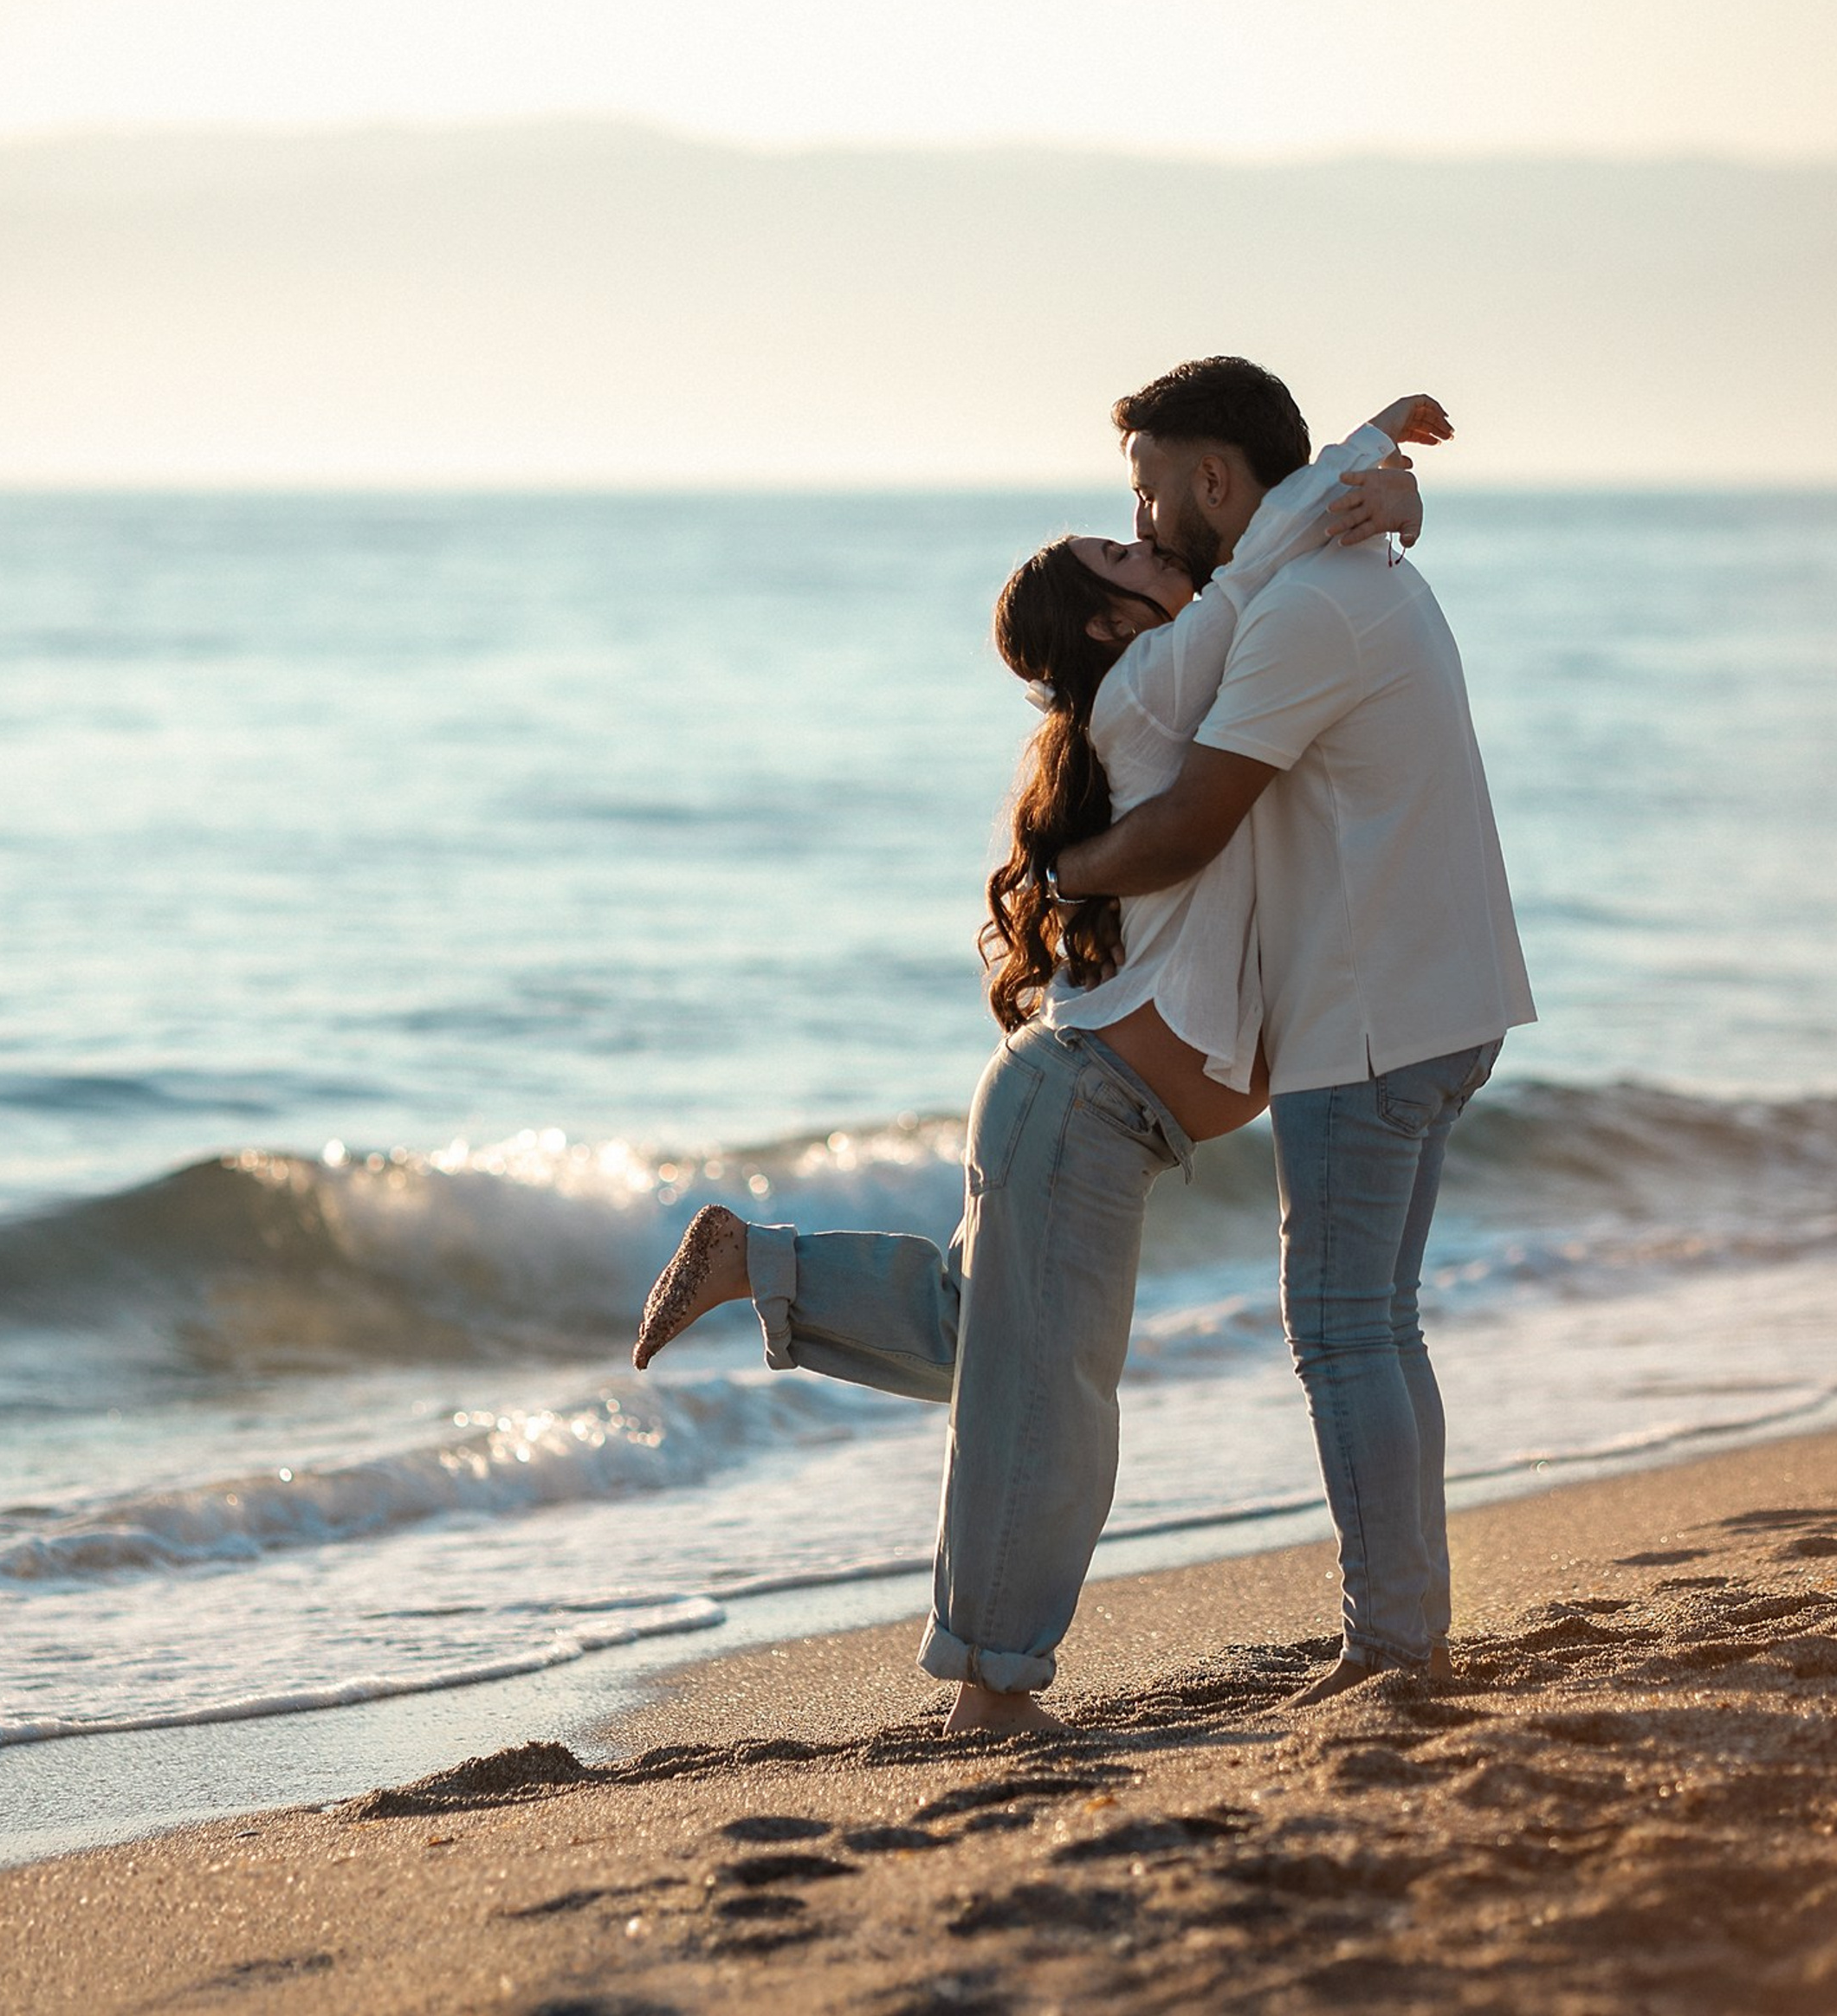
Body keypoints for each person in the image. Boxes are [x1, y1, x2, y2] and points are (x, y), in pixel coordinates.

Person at [632, 362, 1442, 1733]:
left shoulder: (1170, 677)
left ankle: (756, 1263)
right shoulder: (1157, 685)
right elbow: (1263, 553)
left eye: (1140, 520)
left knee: (988, 1342)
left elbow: (1267, 543)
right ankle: (990, 1687)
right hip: (1083, 1107)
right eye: (1123, 551)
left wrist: (1383, 487)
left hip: (1075, 1101)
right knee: (1043, 1409)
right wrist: (1369, 452)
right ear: (1112, 622)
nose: (1146, 537)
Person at [1058, 358, 1536, 1706]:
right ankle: (1409, 1628)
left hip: (1370, 1020)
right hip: (1438, 1001)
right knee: (1379, 1324)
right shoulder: (1349, 567)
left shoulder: (1301, 613)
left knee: (1341, 1331)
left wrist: (1059, 875)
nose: (1143, 522)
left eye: (1149, 491)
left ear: (1216, 479)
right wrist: (1384, 472)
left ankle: (1392, 1647)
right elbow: (1313, 502)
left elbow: (1190, 825)